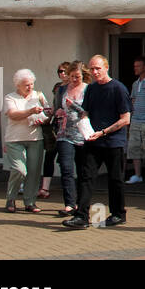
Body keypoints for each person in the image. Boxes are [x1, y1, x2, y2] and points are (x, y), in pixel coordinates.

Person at [62, 55, 132, 230]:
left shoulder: (118, 89)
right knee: (86, 177)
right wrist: (85, 126)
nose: (94, 72)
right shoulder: (92, 89)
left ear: (106, 68)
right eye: (92, 69)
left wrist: (103, 132)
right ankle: (81, 217)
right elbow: (86, 112)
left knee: (115, 179)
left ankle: (118, 214)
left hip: (113, 141)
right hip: (93, 141)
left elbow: (126, 119)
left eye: (98, 68)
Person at [3, 69, 49, 214]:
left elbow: (47, 112)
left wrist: (45, 116)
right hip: (15, 138)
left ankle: (30, 201)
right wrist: (31, 111)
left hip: (35, 137)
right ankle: (11, 198)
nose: (30, 87)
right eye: (26, 85)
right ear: (18, 85)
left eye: (31, 84)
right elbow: (13, 115)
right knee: (19, 169)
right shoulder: (10, 97)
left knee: (34, 171)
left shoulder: (39, 95)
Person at [54, 61, 89, 216]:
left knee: (83, 171)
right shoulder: (62, 89)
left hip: (82, 134)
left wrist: (73, 105)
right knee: (66, 169)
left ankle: (82, 205)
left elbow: (89, 112)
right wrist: (58, 112)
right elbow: (57, 108)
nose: (75, 80)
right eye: (72, 76)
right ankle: (69, 204)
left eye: (78, 77)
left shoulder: (89, 90)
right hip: (64, 134)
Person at [39, 62, 68, 200]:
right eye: (59, 71)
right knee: (49, 156)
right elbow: (54, 107)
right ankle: (45, 188)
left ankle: (68, 187)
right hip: (56, 127)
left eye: (64, 71)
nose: (62, 74)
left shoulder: (74, 88)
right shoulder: (58, 88)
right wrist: (47, 118)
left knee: (65, 159)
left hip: (68, 127)